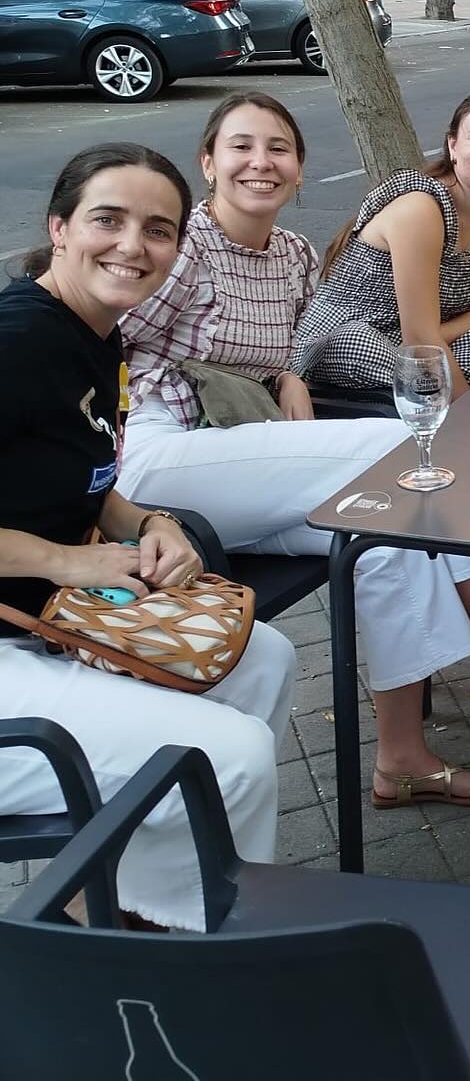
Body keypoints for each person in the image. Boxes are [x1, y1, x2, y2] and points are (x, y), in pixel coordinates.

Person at [120, 94, 470, 814]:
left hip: (235, 447)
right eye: (242, 147)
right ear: (208, 162)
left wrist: (288, 376)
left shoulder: (288, 252)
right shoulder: (180, 245)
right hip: (155, 457)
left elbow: (291, 345)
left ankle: (401, 762)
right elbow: (103, 333)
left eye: (278, 149)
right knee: (405, 447)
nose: (262, 163)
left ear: (299, 168)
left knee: (389, 536)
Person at [0, 143, 296, 930]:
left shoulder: (94, 336)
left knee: (263, 656)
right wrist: (63, 558)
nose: (133, 245)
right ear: (59, 228)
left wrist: (148, 522)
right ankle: (179, 959)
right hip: (17, 640)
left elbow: (78, 482)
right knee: (224, 756)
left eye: (157, 229)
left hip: (46, 620)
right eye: (108, 220)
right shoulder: (18, 341)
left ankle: (141, 915)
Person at [292, 92, 470, 396]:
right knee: (363, 344)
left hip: (420, 338)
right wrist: (468, 410)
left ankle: (431, 386)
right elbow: (419, 337)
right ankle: (450, 403)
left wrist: (432, 338)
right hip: (348, 341)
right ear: (453, 146)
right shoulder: (421, 208)